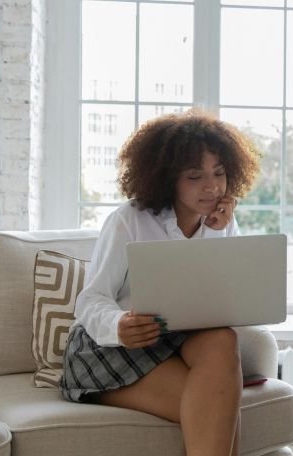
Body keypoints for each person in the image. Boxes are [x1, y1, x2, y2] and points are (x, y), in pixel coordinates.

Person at [60, 110, 261, 456]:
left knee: (222, 340)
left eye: (219, 173)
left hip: (180, 338)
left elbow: (221, 296)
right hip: (114, 345)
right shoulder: (129, 220)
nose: (212, 187)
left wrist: (215, 234)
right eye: (195, 176)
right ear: (168, 178)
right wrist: (119, 325)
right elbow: (90, 300)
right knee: (217, 407)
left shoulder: (222, 222)